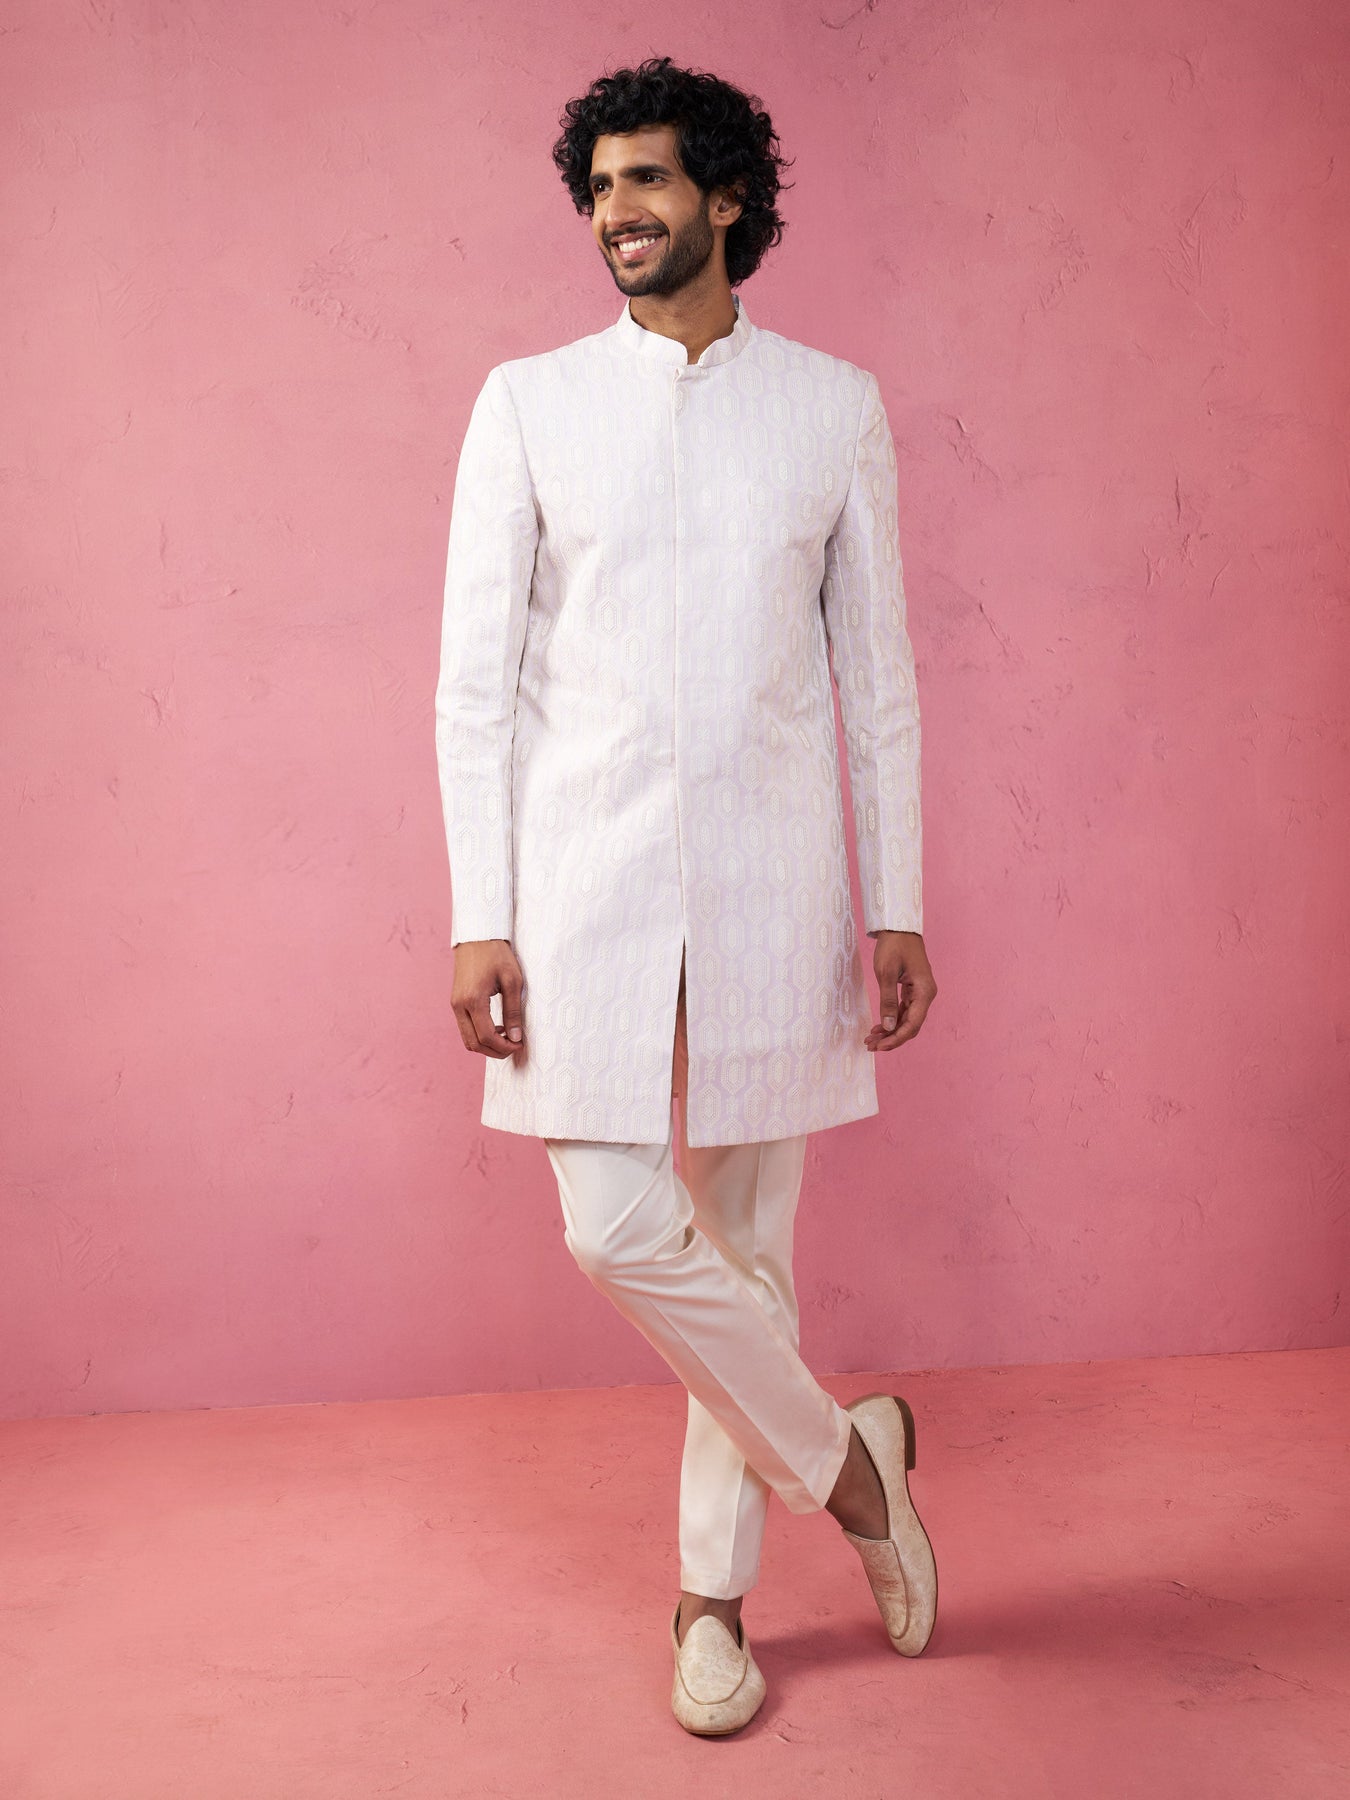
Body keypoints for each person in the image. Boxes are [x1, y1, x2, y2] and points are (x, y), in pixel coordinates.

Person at [434, 55, 938, 1735]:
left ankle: (710, 1609)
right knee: (613, 1225)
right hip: (576, 885)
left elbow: (877, 679)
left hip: (773, 884)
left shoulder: (830, 406)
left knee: (748, 1248)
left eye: (645, 180)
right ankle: (851, 1467)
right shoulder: (528, 404)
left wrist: (896, 900)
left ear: (726, 196)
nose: (616, 214)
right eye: (597, 189)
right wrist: (480, 909)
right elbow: (473, 688)